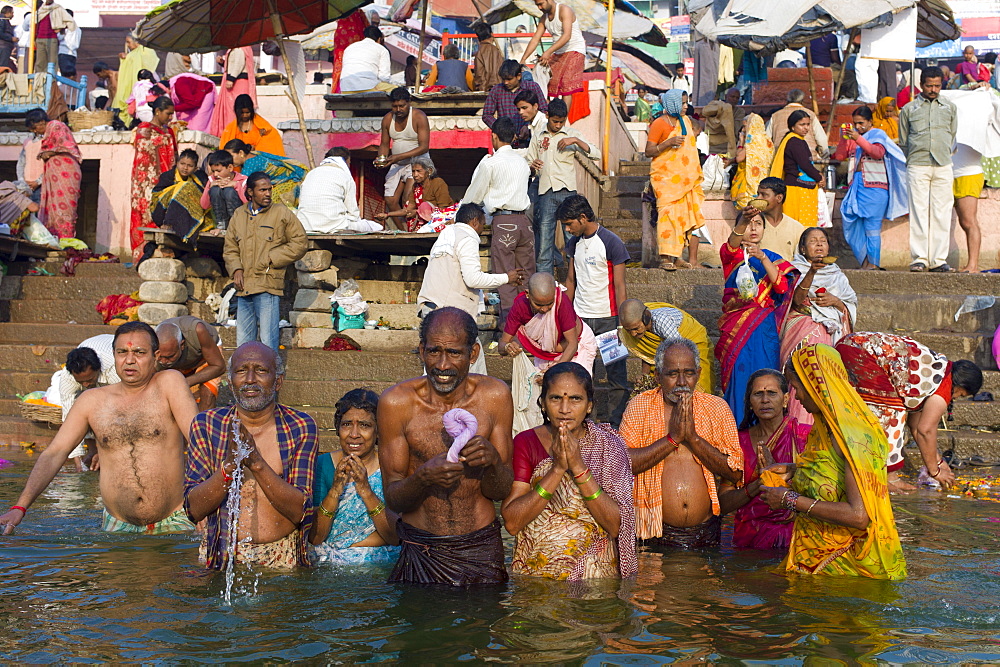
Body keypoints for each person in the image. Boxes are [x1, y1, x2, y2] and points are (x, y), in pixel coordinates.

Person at [0, 322, 199, 536]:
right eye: (122, 352)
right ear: (113, 355)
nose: (130, 360)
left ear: (156, 356)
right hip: (117, 527)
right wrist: (20, 507)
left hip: (176, 520)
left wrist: (206, 507)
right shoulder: (92, 401)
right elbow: (55, 453)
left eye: (139, 352)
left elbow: (201, 443)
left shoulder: (169, 383)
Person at [378, 307, 515, 586]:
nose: (442, 365)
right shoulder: (396, 403)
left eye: (453, 353)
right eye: (433, 351)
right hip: (422, 546)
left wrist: (492, 463)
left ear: (472, 354)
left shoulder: (495, 396)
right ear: (421, 351)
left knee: (482, 628)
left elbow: (500, 491)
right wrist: (423, 478)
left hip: (480, 545)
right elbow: (393, 498)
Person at [758, 344, 906, 580]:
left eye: (796, 387)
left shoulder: (852, 434)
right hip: (817, 563)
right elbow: (831, 474)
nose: (795, 396)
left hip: (847, 571)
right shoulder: (824, 429)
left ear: (816, 384)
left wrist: (789, 499)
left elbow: (858, 516)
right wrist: (796, 470)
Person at [185, 342, 318, 570]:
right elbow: (193, 510)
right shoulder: (206, 424)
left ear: (278, 381)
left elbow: (301, 512)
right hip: (220, 553)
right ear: (230, 380)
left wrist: (256, 463)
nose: (249, 379)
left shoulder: (301, 426)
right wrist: (228, 468)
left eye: (261, 370)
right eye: (241, 371)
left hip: (283, 557)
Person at [503, 362, 637, 580]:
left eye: (575, 399)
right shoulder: (526, 442)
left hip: (594, 582)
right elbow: (512, 522)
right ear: (543, 404)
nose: (565, 409)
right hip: (536, 579)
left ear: (590, 406)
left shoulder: (609, 446)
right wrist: (557, 469)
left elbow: (616, 527)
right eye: (556, 398)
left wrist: (578, 467)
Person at [621, 338, 742, 549]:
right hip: (652, 532)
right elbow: (622, 464)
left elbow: (736, 473)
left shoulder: (716, 408)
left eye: (688, 373)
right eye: (672, 374)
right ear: (657, 375)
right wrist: (673, 439)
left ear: (699, 373)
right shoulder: (639, 405)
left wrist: (693, 439)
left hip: (706, 532)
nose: (681, 382)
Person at [835, 332, 982, 492]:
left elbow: (916, 426)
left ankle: (876, 470)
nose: (955, 398)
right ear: (960, 385)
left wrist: (939, 462)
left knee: (892, 410)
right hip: (862, 352)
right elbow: (926, 430)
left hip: (850, 343)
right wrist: (935, 471)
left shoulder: (934, 375)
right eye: (960, 394)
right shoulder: (944, 386)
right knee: (893, 412)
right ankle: (889, 478)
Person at [416, 203, 524, 376]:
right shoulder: (468, 236)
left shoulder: (446, 234)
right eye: (482, 224)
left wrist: (483, 297)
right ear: (474, 222)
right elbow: (473, 278)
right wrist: (506, 278)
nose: (482, 229)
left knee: (440, 365)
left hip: (432, 307)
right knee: (468, 365)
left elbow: (455, 276)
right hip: (449, 314)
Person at [716, 204, 798, 426]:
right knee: (739, 381)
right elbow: (732, 242)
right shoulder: (731, 256)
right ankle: (735, 431)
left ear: (764, 230)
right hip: (735, 328)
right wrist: (744, 218)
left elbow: (781, 287)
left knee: (766, 378)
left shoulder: (772, 258)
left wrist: (762, 259)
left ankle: (767, 432)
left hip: (763, 328)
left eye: (758, 223)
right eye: (749, 224)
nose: (753, 228)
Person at [558, 194, 631, 427]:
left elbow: (620, 285)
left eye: (569, 224)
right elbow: (570, 280)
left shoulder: (611, 242)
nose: (568, 229)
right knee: (580, 373)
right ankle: (585, 424)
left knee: (616, 376)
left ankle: (615, 425)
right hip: (581, 321)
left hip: (609, 320)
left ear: (582, 217)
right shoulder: (573, 244)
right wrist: (564, 316)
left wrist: (621, 323)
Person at [310, 389, 400, 565]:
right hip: (327, 565)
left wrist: (365, 490)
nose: (354, 434)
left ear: (379, 430)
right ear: (337, 427)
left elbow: (395, 537)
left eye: (365, 425)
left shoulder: (391, 468)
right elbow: (315, 537)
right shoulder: (321, 465)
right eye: (347, 424)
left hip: (380, 567)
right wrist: (335, 489)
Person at [723, 369, 809, 550]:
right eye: (758, 394)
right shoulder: (738, 442)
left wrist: (787, 473)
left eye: (771, 393)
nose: (765, 400)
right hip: (751, 537)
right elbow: (723, 504)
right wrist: (759, 483)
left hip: (799, 536)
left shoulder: (805, 436)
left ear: (785, 400)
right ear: (749, 402)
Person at [499, 272, 597, 431]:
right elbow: (502, 344)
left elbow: (572, 344)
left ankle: (584, 435)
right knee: (541, 392)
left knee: (575, 388)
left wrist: (553, 372)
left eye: (549, 304)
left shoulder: (561, 301)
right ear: (527, 295)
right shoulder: (520, 307)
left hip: (578, 346)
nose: (544, 309)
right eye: (538, 304)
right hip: (545, 351)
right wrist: (508, 347)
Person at [223, 172, 308, 352]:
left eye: (269, 189)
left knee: (268, 341)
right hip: (244, 286)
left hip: (268, 283)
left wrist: (273, 258)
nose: (268, 193)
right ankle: (244, 379)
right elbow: (230, 247)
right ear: (251, 192)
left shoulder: (281, 212)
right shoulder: (239, 214)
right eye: (262, 190)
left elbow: (300, 242)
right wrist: (236, 269)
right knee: (244, 344)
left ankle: (273, 377)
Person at [462, 116, 535, 327]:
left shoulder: (491, 163)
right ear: (513, 137)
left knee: (506, 279)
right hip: (524, 222)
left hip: (504, 223)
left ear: (493, 136)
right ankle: (530, 328)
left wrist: (460, 214)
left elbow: (473, 197)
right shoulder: (522, 162)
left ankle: (510, 330)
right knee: (526, 277)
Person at [780, 227, 857, 424]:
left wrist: (836, 301)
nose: (820, 244)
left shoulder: (837, 275)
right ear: (803, 249)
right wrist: (812, 272)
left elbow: (849, 305)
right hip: (801, 327)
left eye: (823, 240)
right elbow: (795, 301)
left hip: (829, 334)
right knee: (801, 378)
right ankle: (797, 426)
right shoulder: (793, 269)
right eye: (813, 241)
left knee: (823, 380)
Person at [526, 98, 599, 275]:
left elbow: (595, 154)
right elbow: (528, 162)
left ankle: (576, 278)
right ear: (547, 116)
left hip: (568, 193)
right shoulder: (538, 137)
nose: (558, 125)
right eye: (555, 121)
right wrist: (531, 165)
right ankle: (545, 283)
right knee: (544, 239)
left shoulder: (571, 134)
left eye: (562, 122)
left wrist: (574, 141)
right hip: (545, 192)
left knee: (573, 238)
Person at [899, 66, 957, 273]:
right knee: (919, 212)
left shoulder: (949, 107)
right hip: (917, 164)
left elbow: (952, 134)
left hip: (943, 164)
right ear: (921, 85)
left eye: (937, 86)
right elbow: (904, 140)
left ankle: (939, 260)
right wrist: (913, 158)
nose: (933, 89)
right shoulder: (909, 109)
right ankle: (920, 258)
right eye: (929, 85)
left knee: (942, 213)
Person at [837, 106, 908, 270]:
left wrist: (858, 138)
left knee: (871, 227)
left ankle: (873, 263)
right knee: (850, 221)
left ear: (870, 122)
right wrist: (844, 139)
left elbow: (877, 153)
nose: (858, 127)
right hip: (856, 186)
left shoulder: (877, 134)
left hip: (875, 188)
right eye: (855, 123)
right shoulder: (855, 136)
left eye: (861, 123)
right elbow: (840, 156)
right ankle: (864, 261)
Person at [645, 90, 706, 270]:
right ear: (672, 103)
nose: (686, 106)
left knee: (681, 216)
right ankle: (665, 257)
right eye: (683, 103)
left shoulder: (685, 121)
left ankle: (677, 256)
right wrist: (668, 143)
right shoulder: (659, 123)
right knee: (667, 216)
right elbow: (649, 151)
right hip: (665, 179)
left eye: (687, 103)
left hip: (685, 181)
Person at [53, 334, 119, 472]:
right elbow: (69, 418)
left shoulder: (115, 367)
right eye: (81, 382)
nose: (86, 384)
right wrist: (78, 463)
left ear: (97, 370)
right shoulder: (68, 377)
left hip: (110, 348)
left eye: (89, 379)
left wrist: (106, 452)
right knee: (82, 410)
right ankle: (92, 451)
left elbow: (121, 409)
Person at [617, 299, 712, 394]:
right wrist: (644, 376)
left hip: (689, 342)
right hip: (671, 346)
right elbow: (647, 352)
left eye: (636, 328)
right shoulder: (637, 329)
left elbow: (680, 350)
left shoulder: (662, 323)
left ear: (646, 318)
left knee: (694, 384)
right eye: (629, 330)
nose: (633, 334)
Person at [129, 97, 177, 261]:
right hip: (146, 182)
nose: (170, 117)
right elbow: (143, 158)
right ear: (157, 112)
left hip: (167, 181)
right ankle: (143, 253)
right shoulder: (144, 129)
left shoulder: (169, 131)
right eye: (168, 113)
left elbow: (174, 156)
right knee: (147, 213)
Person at [377, 87, 430, 230]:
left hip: (418, 163)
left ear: (409, 103)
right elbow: (384, 144)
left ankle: (414, 229)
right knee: (390, 199)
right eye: (395, 106)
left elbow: (424, 146)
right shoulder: (388, 119)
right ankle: (403, 230)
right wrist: (381, 159)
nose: (398, 109)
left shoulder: (419, 116)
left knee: (408, 198)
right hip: (397, 163)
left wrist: (397, 157)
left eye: (402, 106)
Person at [519, 0, 586, 113]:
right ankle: (549, 115)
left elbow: (567, 35)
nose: (539, 7)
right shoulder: (544, 18)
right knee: (547, 82)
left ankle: (563, 120)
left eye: (541, 4)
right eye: (537, 5)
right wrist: (523, 59)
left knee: (566, 85)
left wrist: (548, 52)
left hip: (575, 49)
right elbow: (535, 39)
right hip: (558, 52)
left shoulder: (564, 10)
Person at [23, 107, 80, 240]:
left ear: (42, 122)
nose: (35, 131)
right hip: (54, 175)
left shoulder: (56, 126)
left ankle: (66, 238)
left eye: (35, 128)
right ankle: (54, 238)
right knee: (51, 209)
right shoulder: (48, 132)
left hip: (66, 172)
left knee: (65, 208)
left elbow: (67, 146)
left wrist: (49, 153)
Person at [298, 146, 383, 234]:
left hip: (306, 225)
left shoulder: (311, 173)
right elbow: (353, 213)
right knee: (375, 226)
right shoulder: (344, 176)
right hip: (334, 225)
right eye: (349, 163)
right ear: (345, 162)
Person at [154, 315, 226, 410]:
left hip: (206, 358)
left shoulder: (198, 331)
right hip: (179, 362)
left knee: (208, 394)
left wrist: (185, 382)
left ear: (182, 345)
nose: (163, 362)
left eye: (169, 357)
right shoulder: (152, 344)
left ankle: (203, 423)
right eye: (160, 357)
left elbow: (219, 367)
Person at [770, 110, 823, 227]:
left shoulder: (796, 140)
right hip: (797, 189)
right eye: (802, 125)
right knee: (799, 225)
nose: (806, 128)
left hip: (796, 186)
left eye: (808, 124)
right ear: (792, 126)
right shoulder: (795, 142)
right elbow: (805, 165)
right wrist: (819, 177)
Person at [376, 155, 454, 232]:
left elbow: (444, 209)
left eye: (418, 171)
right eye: (413, 171)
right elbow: (407, 210)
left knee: (424, 206)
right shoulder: (416, 186)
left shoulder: (438, 183)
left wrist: (418, 212)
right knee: (408, 205)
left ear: (429, 171)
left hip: (442, 221)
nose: (415, 175)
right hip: (425, 223)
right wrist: (387, 215)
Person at [224, 139, 307, 208]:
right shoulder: (253, 154)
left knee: (269, 201)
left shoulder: (250, 163)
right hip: (280, 181)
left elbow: (243, 184)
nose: (229, 160)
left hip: (289, 182)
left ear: (241, 153)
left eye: (231, 157)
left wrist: (232, 183)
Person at [482, 60, 548, 143]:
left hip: (531, 139)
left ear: (519, 76)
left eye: (509, 79)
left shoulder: (532, 87)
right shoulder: (496, 90)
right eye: (503, 79)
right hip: (506, 142)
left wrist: (529, 126)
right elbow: (487, 115)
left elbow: (544, 110)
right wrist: (503, 130)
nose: (506, 82)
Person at [150, 148, 209, 241]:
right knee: (184, 187)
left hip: (185, 216)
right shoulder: (167, 176)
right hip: (163, 213)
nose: (185, 168)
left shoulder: (198, 178)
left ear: (195, 168)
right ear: (177, 163)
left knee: (191, 189)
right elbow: (157, 196)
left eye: (190, 165)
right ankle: (169, 223)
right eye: (182, 164)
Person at [767, 89, 828, 162]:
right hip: (809, 158)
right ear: (802, 101)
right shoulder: (810, 114)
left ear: (787, 101)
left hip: (780, 158)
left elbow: (766, 139)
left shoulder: (775, 116)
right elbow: (822, 139)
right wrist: (825, 155)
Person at [113, 34, 160, 127]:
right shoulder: (133, 54)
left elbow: (149, 65)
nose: (128, 45)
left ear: (136, 41)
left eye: (128, 42)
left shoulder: (146, 51)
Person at [209, 46, 256, 138]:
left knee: (234, 109)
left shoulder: (240, 48)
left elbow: (239, 63)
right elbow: (235, 64)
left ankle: (234, 134)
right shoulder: (237, 48)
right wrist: (223, 63)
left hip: (237, 82)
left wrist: (231, 78)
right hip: (237, 81)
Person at [729, 113, 773, 209]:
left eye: (745, 126)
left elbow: (739, 158)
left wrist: (741, 141)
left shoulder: (751, 139)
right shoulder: (767, 139)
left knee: (748, 208)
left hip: (749, 182)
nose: (743, 130)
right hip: (764, 181)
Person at [219, 94, 284, 157]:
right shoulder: (230, 129)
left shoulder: (263, 127)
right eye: (242, 113)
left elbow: (270, 142)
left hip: (259, 159)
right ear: (236, 111)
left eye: (247, 112)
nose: (245, 115)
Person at [953, 142, 984, 273]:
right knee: (939, 219)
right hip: (944, 171)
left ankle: (973, 265)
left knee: (968, 221)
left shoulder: (976, 122)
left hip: (968, 173)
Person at [200, 149, 248, 232]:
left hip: (241, 220)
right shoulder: (212, 180)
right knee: (215, 190)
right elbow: (204, 205)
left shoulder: (243, 180)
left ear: (230, 168)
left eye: (218, 171)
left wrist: (236, 186)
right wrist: (209, 187)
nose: (215, 174)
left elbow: (248, 204)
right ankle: (221, 225)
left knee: (228, 191)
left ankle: (235, 225)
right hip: (221, 220)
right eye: (213, 171)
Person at [339, 25, 393, 93]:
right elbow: (384, 77)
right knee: (398, 91)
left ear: (364, 36)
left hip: (345, 88)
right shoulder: (382, 49)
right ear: (379, 39)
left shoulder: (349, 47)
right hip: (368, 87)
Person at [33, 0, 73, 74]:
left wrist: (61, 28)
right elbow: (34, 24)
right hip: (40, 38)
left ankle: (52, 81)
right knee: (40, 62)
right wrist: (34, 39)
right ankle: (39, 81)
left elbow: (70, 21)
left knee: (52, 62)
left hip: (51, 38)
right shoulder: (40, 10)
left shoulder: (58, 8)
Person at [472, 23, 502, 92]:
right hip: (498, 88)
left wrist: (480, 88)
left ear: (478, 37)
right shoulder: (496, 50)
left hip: (484, 90)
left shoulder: (479, 52)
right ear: (491, 34)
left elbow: (479, 75)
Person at [56, 8, 79, 80]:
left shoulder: (65, 28)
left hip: (64, 52)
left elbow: (59, 37)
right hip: (73, 54)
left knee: (65, 76)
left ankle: (65, 89)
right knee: (71, 74)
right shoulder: (78, 29)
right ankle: (71, 89)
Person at [0, 6, 16, 71]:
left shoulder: (4, 20)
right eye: (12, 13)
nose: (13, 15)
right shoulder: (2, 20)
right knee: (3, 66)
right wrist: (11, 38)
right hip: (3, 47)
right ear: (8, 13)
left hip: (4, 47)